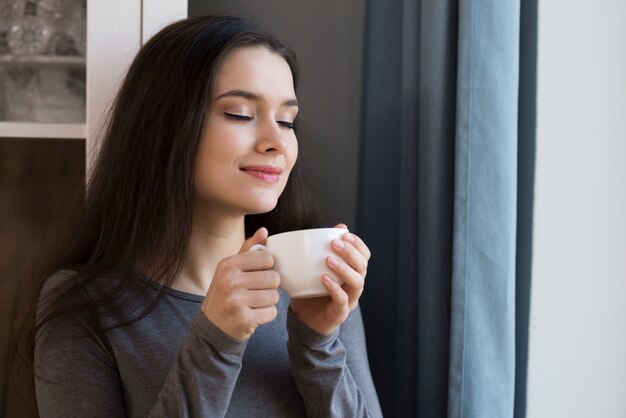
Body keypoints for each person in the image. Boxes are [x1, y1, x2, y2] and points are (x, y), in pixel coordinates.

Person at [22, 15, 382, 417]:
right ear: (167, 126)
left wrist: (318, 344)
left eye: (287, 120)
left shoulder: (317, 286)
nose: (276, 141)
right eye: (241, 114)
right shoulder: (87, 303)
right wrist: (215, 341)